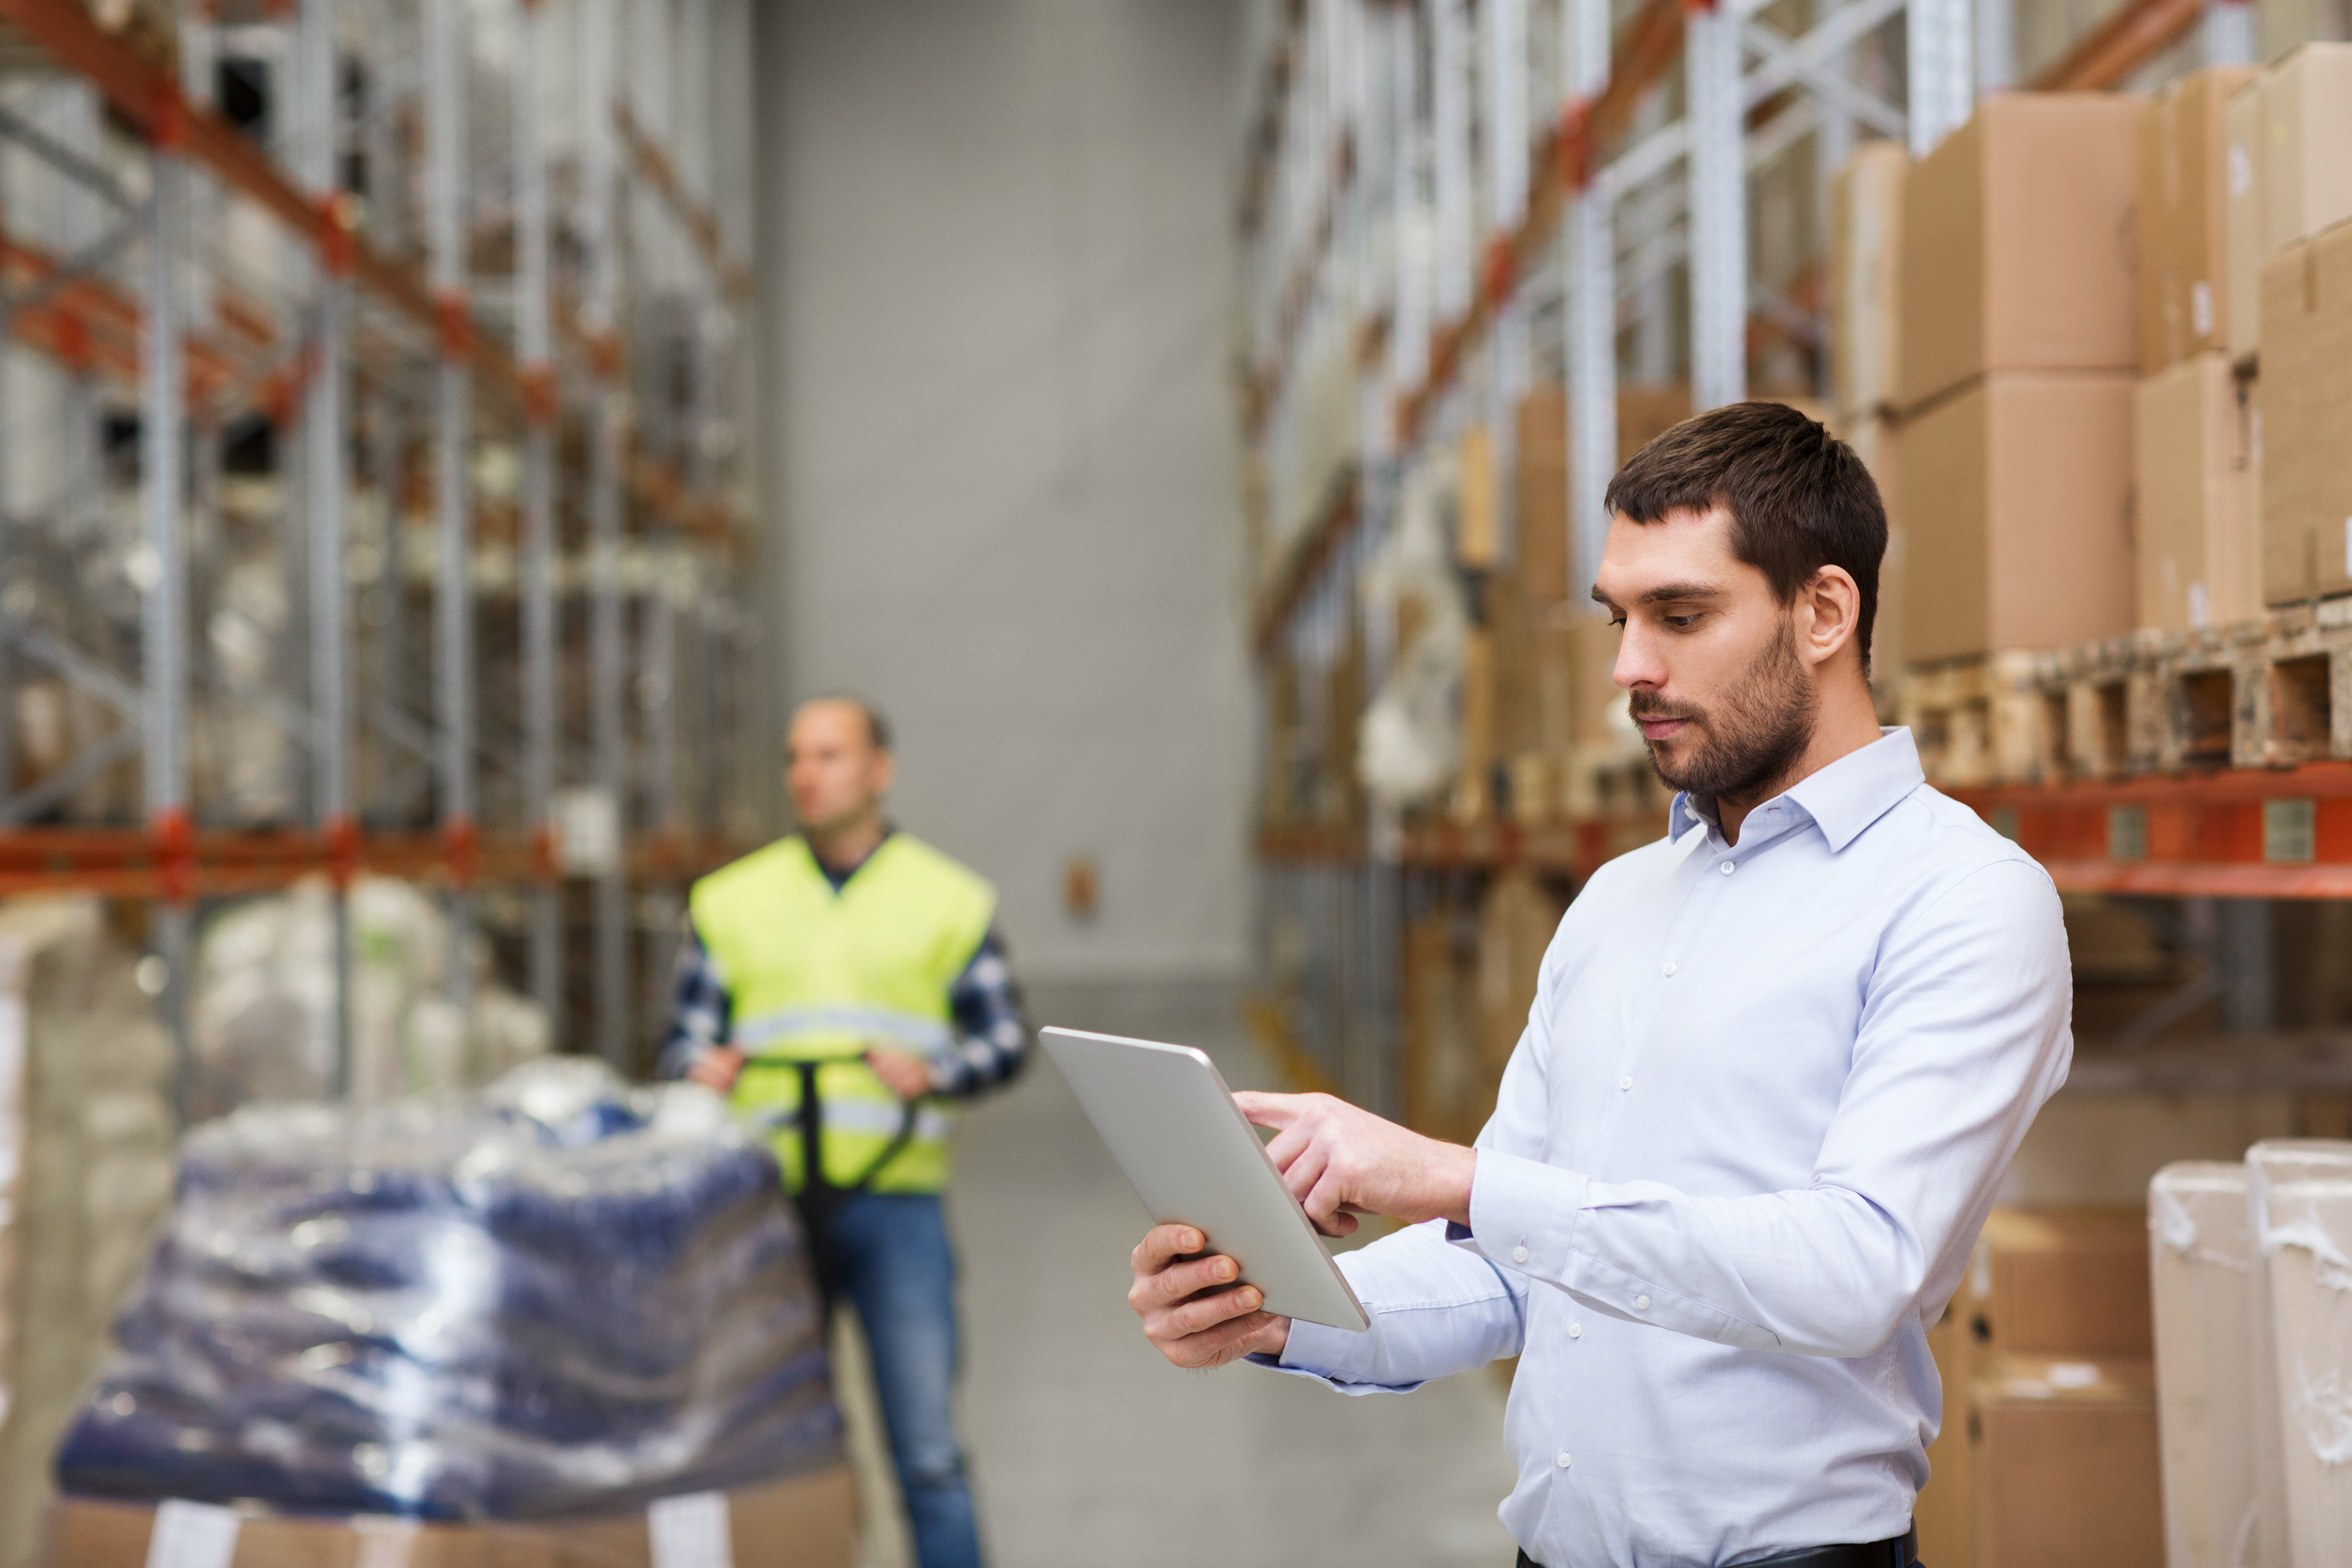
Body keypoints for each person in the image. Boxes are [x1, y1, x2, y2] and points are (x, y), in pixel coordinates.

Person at [1125, 403, 2072, 1568]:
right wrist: (1286, 1309)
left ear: (1826, 610)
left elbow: (1857, 1268)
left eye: (1681, 615)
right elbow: (1518, 1265)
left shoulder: (1964, 898)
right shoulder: (1620, 903)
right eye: (1619, 616)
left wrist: (1453, 1175)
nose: (1630, 666)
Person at [662, 696, 1027, 1568]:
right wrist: (695, 1067)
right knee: (775, 1454)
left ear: (878, 770)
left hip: (896, 1207)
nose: (806, 775)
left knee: (929, 1456)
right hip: (765, 1216)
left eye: (828, 755)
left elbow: (1006, 1039)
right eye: (795, 757)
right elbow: (682, 1037)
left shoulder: (946, 900)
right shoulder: (731, 901)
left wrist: (937, 1073)